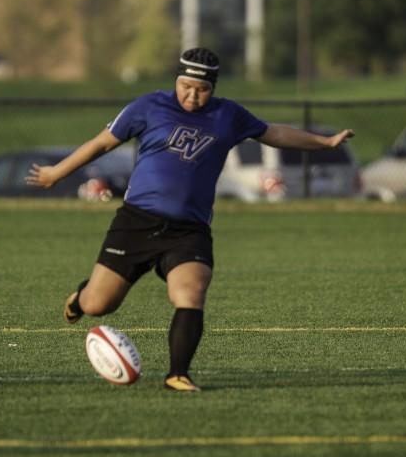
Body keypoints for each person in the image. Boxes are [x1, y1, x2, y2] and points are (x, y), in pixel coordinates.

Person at [26, 48, 354, 392]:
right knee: (98, 305)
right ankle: (80, 297)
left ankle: (177, 374)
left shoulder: (228, 115)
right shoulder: (148, 106)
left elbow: (274, 133)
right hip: (136, 223)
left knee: (191, 292)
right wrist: (56, 173)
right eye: (186, 86)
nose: (192, 95)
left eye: (202, 89)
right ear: (176, 80)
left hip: (189, 230)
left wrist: (326, 142)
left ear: (213, 87)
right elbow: (101, 144)